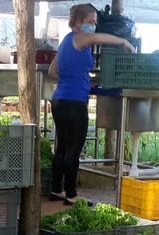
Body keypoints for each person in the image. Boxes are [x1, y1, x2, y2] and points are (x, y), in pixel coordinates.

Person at [48, 4, 135, 205]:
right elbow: (96, 38)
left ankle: (56, 190)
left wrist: (79, 78)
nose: (93, 27)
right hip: (74, 103)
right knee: (73, 150)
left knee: (61, 147)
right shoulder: (80, 38)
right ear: (77, 22)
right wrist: (123, 41)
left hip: (59, 100)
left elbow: (53, 71)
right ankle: (71, 195)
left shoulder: (65, 42)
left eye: (95, 23)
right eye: (90, 22)